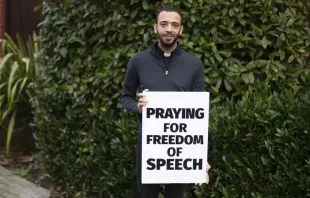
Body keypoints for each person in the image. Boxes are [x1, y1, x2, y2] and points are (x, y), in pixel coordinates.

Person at [120, 6, 211, 198]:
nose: (169, 29)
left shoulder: (194, 64)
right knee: (147, 194)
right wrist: (137, 107)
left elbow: (198, 114)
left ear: (181, 30)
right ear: (155, 28)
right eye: (164, 24)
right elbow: (126, 97)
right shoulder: (138, 61)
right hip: (148, 146)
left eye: (174, 25)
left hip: (181, 149)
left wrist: (200, 156)